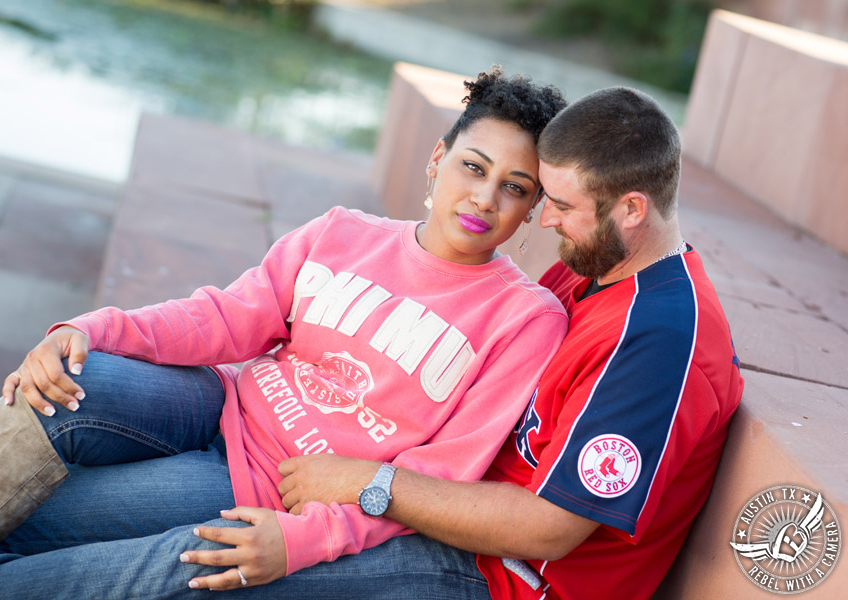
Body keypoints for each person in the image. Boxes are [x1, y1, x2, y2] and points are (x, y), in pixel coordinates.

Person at [0, 68, 570, 597]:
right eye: (473, 166)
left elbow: (439, 476)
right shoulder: (342, 232)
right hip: (221, 404)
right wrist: (90, 327)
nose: (485, 198)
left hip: (265, 482)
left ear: (531, 209)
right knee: (79, 375)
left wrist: (311, 538)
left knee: (33, 519)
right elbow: (226, 317)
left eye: (514, 188)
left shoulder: (524, 318)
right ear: (438, 158)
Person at [275, 86, 745, 599]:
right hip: (448, 512)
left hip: (503, 579)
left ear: (632, 209)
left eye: (562, 204)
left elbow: (551, 529)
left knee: (208, 565)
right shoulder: (596, 267)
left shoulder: (657, 342)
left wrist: (369, 482)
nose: (545, 219)